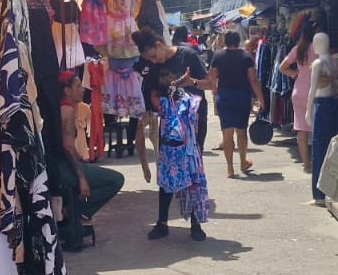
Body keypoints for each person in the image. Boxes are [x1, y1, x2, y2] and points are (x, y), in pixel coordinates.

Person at [133, 29, 212, 241]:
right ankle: (162, 223)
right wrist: (156, 105)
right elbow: (151, 92)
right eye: (149, 59)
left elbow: (211, 83)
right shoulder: (152, 66)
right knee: (166, 168)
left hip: (193, 124)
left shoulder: (187, 56)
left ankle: (195, 222)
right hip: (168, 123)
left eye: (153, 56)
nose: (153, 61)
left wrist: (192, 83)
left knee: (192, 168)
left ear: (159, 45)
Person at [57, 71, 124, 230]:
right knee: (116, 180)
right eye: (78, 86)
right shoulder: (66, 110)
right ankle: (74, 211)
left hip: (58, 165)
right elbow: (68, 147)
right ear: (67, 90)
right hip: (61, 168)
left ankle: (75, 211)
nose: (83, 89)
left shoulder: (63, 107)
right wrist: (82, 178)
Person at [209, 31, 265, 178]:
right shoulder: (246, 56)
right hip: (242, 96)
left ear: (225, 41)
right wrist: (261, 98)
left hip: (224, 96)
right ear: (238, 41)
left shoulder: (218, 56)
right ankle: (243, 162)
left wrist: (214, 88)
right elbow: (253, 79)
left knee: (227, 133)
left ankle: (230, 169)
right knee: (241, 131)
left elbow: (212, 74)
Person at [307, 33, 338, 205]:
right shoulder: (337, 63)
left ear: (319, 43)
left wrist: (308, 111)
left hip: (321, 106)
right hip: (335, 106)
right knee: (333, 150)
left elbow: (312, 89)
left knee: (319, 150)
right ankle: (332, 190)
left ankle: (319, 195)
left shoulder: (318, 64)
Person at [278, 20, 316, 172]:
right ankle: (317, 161)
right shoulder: (318, 48)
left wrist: (294, 73)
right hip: (315, 90)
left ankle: (306, 164)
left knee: (302, 129)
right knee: (317, 127)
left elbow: (282, 67)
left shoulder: (298, 49)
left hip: (299, 90)